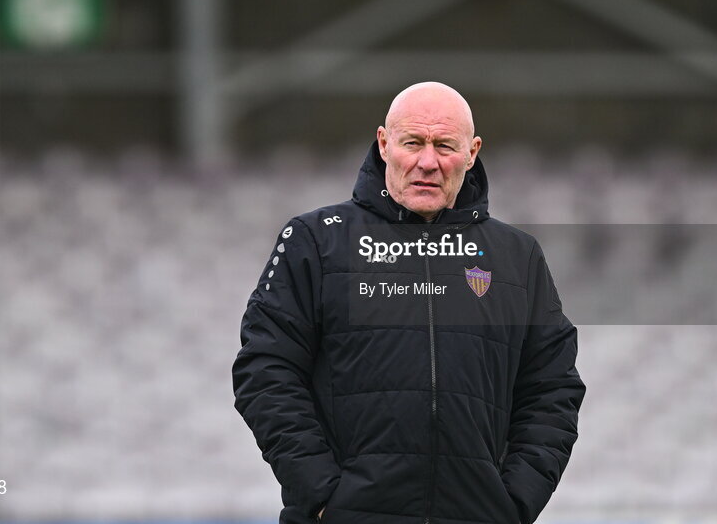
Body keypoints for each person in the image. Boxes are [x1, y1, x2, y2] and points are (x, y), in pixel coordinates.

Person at [233, 82, 585, 524]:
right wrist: (322, 495)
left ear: (473, 152)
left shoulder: (517, 257)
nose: (427, 162)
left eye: (445, 146)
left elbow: (553, 388)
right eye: (413, 143)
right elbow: (265, 371)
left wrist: (514, 503)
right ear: (384, 144)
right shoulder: (316, 241)